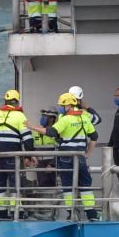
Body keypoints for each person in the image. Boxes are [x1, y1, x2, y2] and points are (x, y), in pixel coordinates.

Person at [28, 93, 99, 221]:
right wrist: (88, 153)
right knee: (85, 185)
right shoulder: (84, 118)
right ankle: (91, 213)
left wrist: (31, 126)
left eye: (62, 105)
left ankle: (71, 213)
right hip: (80, 157)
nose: (60, 107)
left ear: (68, 105)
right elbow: (94, 137)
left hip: (66, 157)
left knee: (67, 185)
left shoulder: (65, 119)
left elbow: (51, 132)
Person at [0, 89, 35, 219]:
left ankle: (1, 211)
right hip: (14, 156)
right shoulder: (20, 116)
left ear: (5, 101)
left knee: (0, 183)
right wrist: (29, 155)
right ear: (16, 102)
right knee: (15, 183)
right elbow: (27, 139)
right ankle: (18, 211)